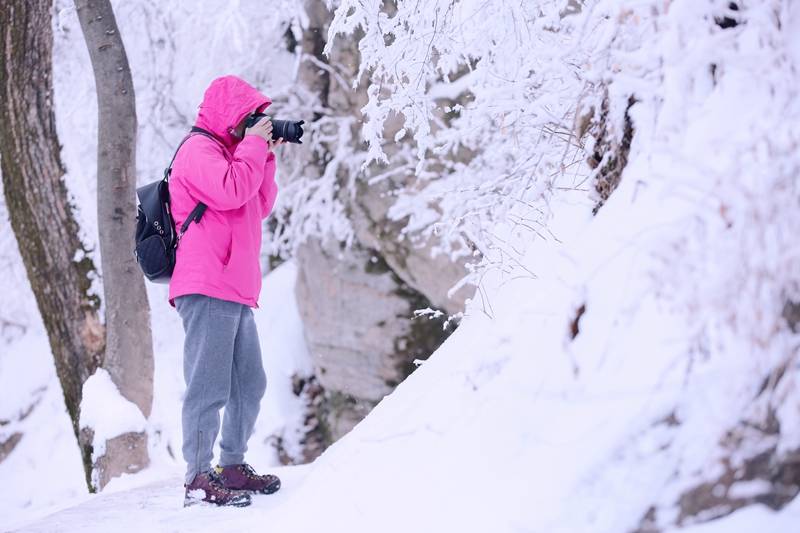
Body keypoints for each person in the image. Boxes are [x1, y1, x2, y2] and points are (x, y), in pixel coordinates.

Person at [168, 75, 284, 507]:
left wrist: (265, 155)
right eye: (247, 118)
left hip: (234, 285)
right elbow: (232, 190)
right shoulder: (197, 150)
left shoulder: (233, 154)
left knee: (249, 384)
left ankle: (231, 465)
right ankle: (198, 475)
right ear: (227, 115)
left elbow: (257, 203)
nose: (252, 126)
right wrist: (252, 146)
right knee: (209, 386)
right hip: (207, 282)